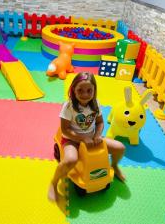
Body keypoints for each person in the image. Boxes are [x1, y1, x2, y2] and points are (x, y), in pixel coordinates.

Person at [48, 72, 126, 202]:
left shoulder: (95, 103)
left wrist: (97, 135)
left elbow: (100, 122)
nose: (85, 95)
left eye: (89, 90)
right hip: (72, 140)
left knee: (120, 147)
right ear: (73, 89)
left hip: (92, 139)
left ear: (94, 91)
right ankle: (53, 183)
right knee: (70, 160)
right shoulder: (69, 106)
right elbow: (65, 130)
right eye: (80, 90)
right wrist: (82, 139)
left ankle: (115, 166)